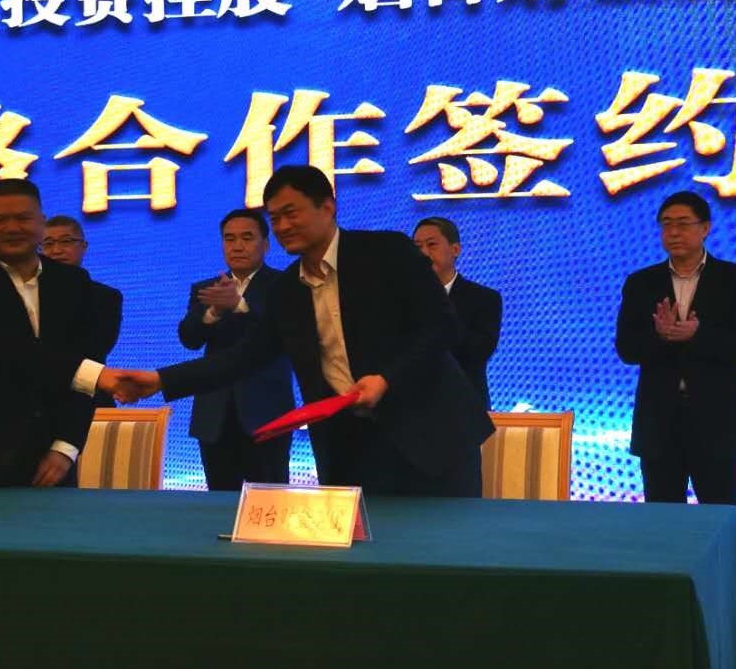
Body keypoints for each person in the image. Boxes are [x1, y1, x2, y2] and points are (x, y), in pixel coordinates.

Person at [112, 165, 492, 497]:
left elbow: (441, 327)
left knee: (445, 550)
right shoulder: (287, 289)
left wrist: (386, 379)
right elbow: (243, 358)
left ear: (327, 207)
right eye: (275, 218)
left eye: (290, 213)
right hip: (349, 450)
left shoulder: (386, 252)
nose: (282, 226)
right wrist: (160, 380)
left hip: (431, 438)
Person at [0, 178, 122, 487]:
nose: (12, 228)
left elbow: (88, 359)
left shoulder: (74, 284)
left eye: (22, 218)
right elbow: (11, 353)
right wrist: (98, 376)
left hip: (53, 459)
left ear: (41, 222)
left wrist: (66, 446)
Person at [615, 191, 736, 508]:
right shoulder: (641, 282)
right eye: (666, 224)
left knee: (721, 518)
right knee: (664, 522)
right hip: (659, 425)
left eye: (683, 223)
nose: (673, 232)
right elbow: (627, 349)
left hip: (718, 423)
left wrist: (698, 335)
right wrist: (660, 335)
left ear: (705, 228)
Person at [177, 209, 295, 490]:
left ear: (266, 245)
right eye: (229, 239)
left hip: (267, 414)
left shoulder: (285, 284)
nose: (237, 246)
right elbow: (189, 339)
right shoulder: (206, 289)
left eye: (247, 238)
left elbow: (284, 335)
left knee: (269, 499)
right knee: (218, 503)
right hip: (214, 417)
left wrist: (239, 306)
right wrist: (213, 312)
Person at [412, 216, 502, 407]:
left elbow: (479, 351)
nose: (424, 253)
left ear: (455, 250)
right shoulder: (402, 299)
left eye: (432, 245)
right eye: (417, 247)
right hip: (412, 408)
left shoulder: (485, 298)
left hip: (465, 407)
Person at [41, 214, 124, 406]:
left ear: (83, 247)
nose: (56, 250)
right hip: (34, 401)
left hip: (87, 398)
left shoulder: (106, 296)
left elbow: (96, 349)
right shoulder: (26, 293)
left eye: (66, 241)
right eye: (48, 244)